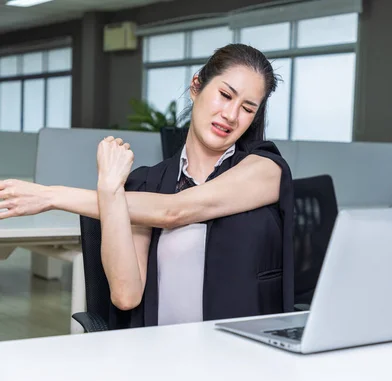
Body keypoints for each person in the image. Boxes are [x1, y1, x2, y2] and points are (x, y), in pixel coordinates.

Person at [0, 43, 295, 329]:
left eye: (247, 108)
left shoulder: (265, 170)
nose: (231, 115)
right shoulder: (147, 184)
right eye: (224, 95)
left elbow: (173, 212)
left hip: (242, 359)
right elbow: (126, 296)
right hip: (160, 357)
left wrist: (51, 195)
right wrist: (109, 188)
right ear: (196, 87)